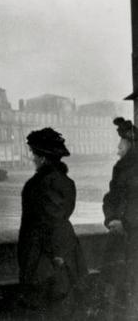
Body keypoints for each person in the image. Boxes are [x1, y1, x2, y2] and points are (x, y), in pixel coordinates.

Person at [18, 128, 87, 319]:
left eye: (34, 154)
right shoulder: (65, 181)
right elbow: (62, 215)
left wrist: (57, 256)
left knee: (49, 307)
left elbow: (54, 221)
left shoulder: (44, 183)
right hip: (61, 251)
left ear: (43, 158)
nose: (33, 158)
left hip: (47, 257)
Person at [102, 117, 138, 319]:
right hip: (120, 237)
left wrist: (126, 223)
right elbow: (110, 198)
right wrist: (111, 220)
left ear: (131, 146)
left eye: (121, 145)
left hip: (134, 238)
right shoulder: (120, 169)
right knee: (117, 291)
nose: (117, 150)